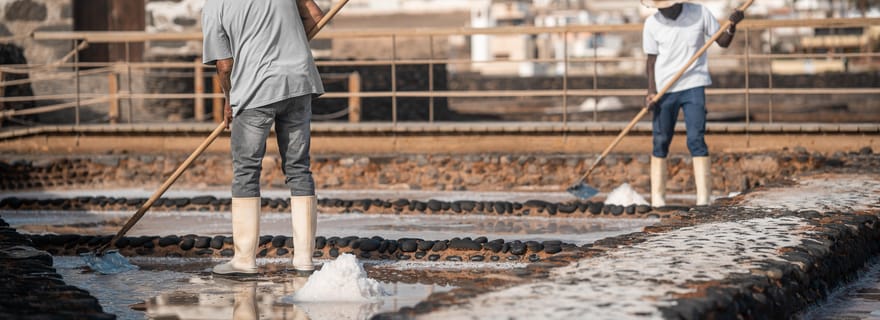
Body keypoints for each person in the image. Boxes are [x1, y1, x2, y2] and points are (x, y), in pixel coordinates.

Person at [202, 0, 325, 276]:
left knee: (246, 170)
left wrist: (228, 99)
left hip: (254, 91)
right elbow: (315, 16)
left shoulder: (214, 6)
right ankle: (305, 260)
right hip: (298, 81)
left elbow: (224, 65)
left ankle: (245, 260)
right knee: (298, 168)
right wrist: (288, 48)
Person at [641, 0, 744, 207]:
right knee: (660, 140)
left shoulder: (700, 13)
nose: (663, 10)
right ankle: (658, 200)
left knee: (696, 138)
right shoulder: (652, 24)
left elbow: (722, 41)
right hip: (664, 89)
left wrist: (732, 25)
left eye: (666, 6)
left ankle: (703, 200)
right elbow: (651, 62)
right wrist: (651, 92)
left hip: (694, 84)